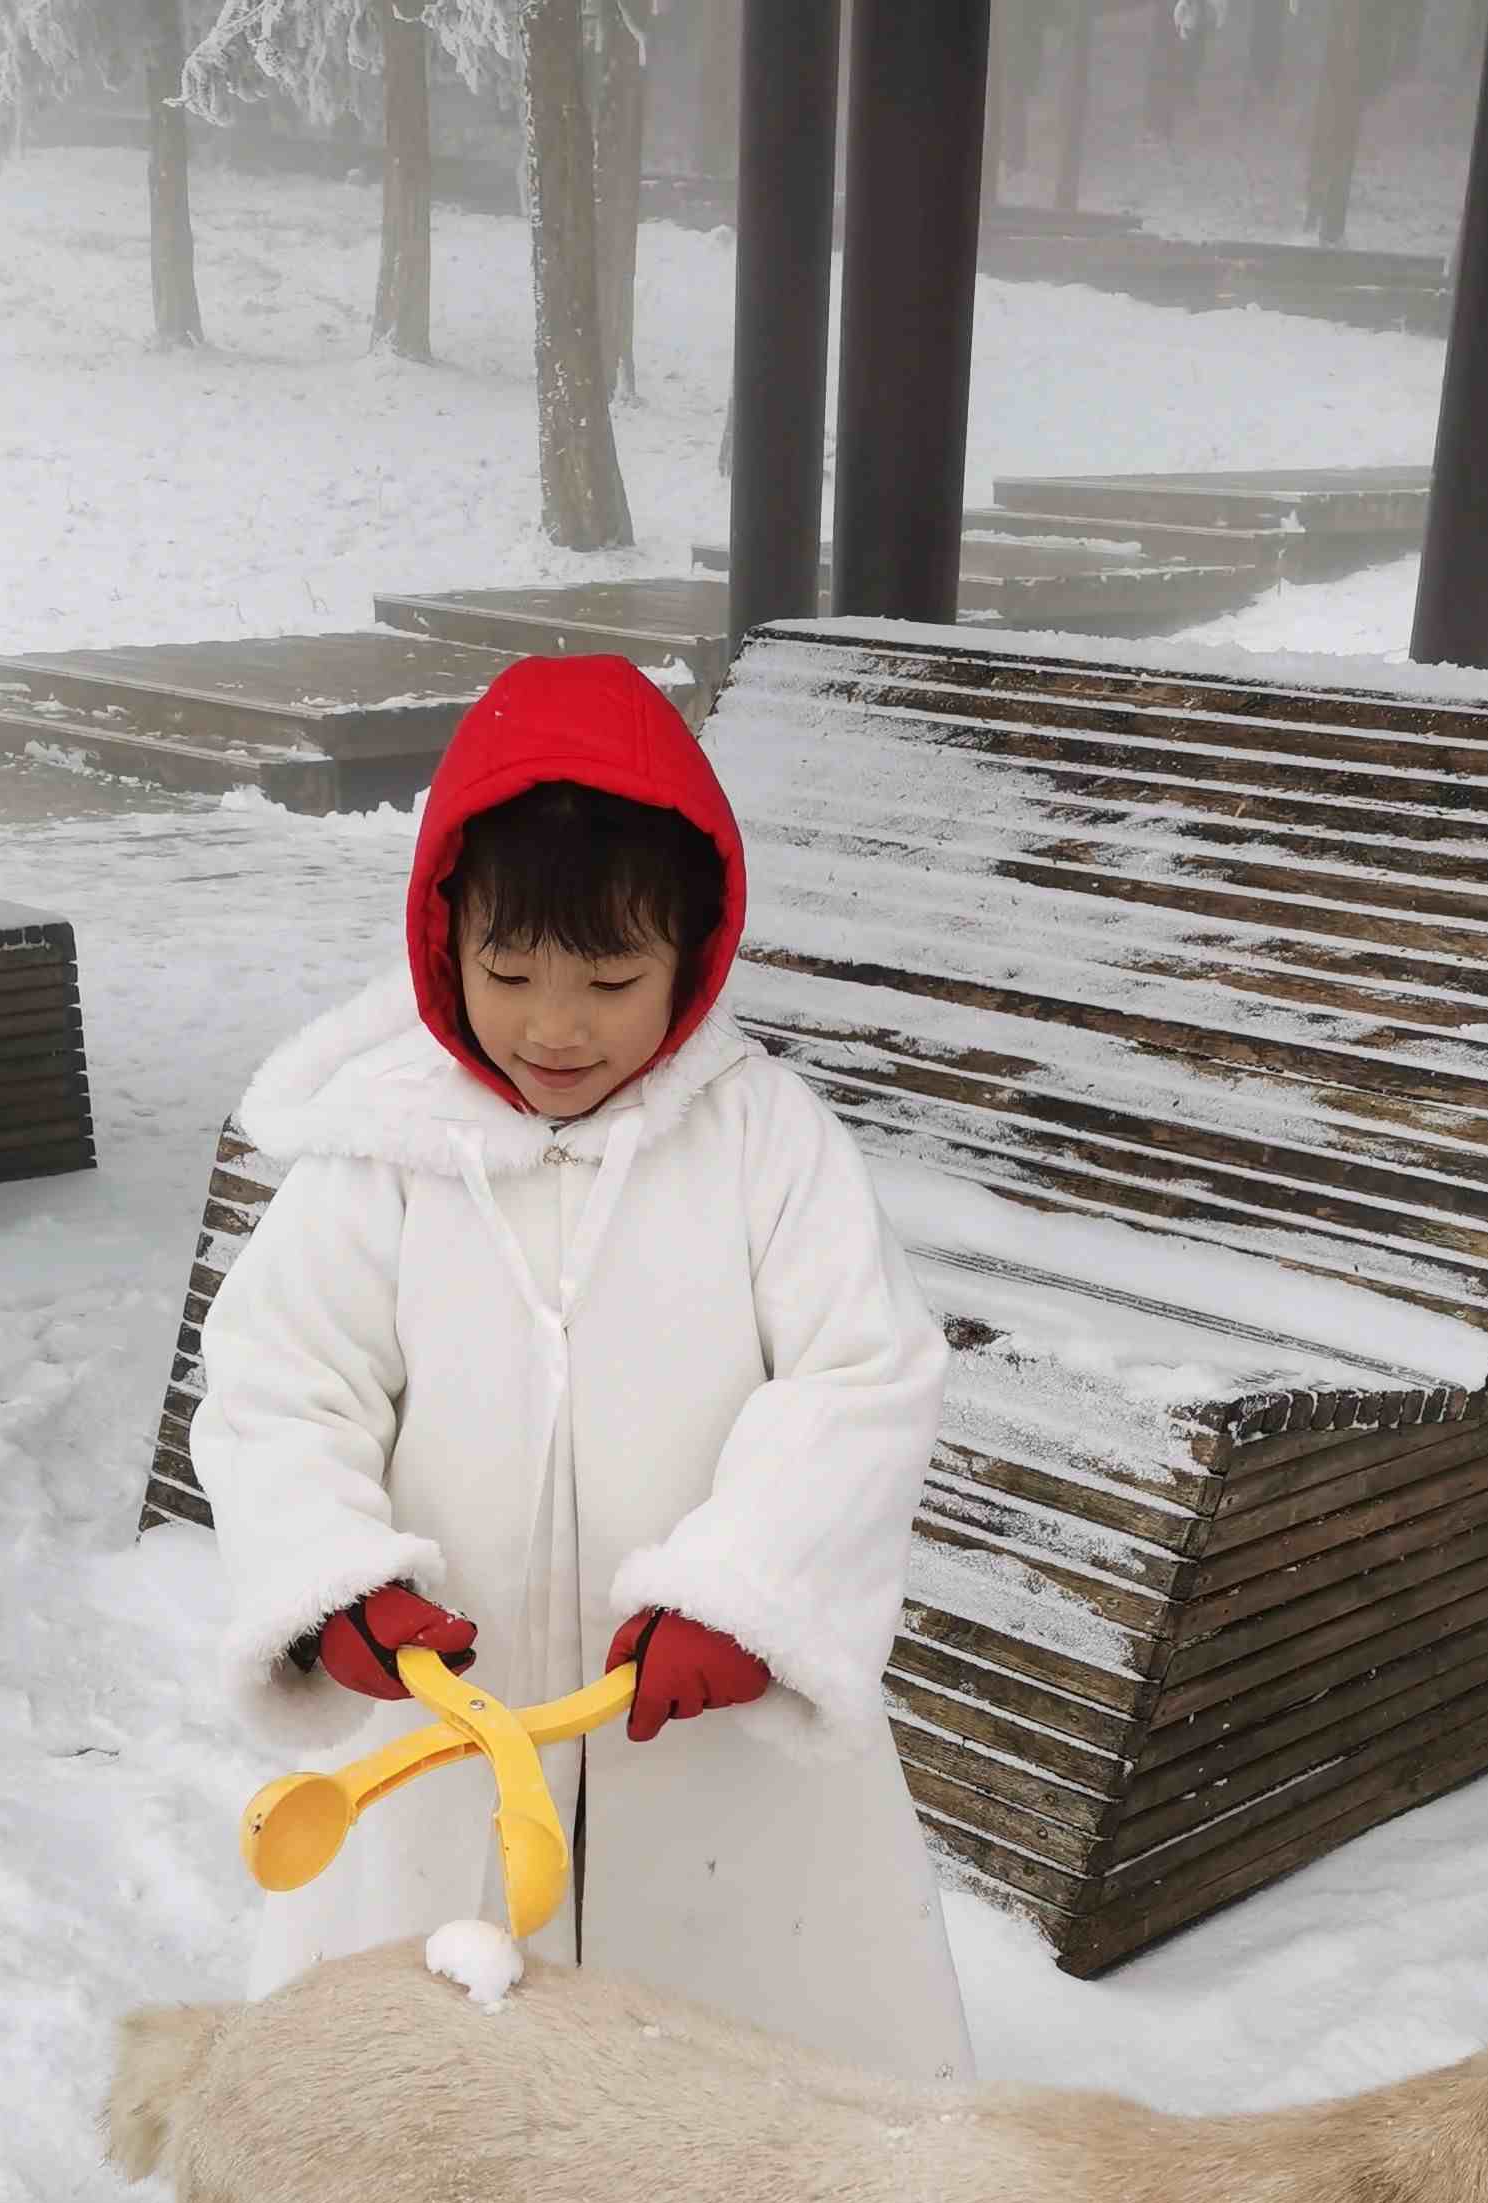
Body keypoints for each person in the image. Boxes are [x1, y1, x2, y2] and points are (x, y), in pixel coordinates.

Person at [192, 652, 972, 2086]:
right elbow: (278, 1382)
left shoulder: (764, 1142)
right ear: (445, 943)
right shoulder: (384, 1158)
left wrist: (749, 1590)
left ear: (692, 956)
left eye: (610, 979)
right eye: (510, 974)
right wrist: (332, 1579)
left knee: (748, 2058)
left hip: (702, 1733)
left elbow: (860, 1371)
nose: (556, 1027)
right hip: (452, 1716)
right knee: (426, 2064)